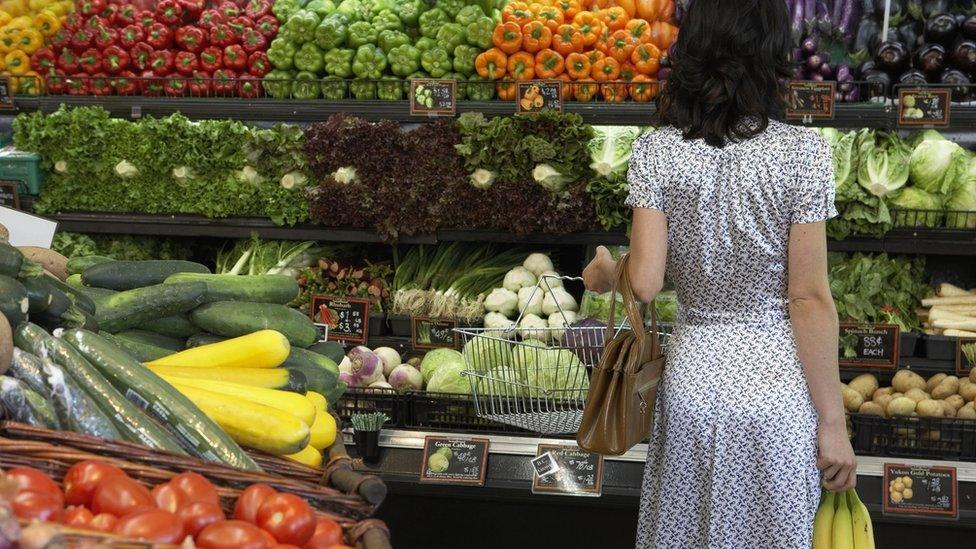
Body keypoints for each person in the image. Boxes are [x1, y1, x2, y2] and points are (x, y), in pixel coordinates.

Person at [581, 0, 856, 547]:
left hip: (692, 382)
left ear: (693, 50)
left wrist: (609, 272)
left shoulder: (657, 151)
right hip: (776, 390)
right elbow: (808, 300)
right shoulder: (804, 153)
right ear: (772, 53)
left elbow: (647, 282)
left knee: (686, 532)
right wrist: (832, 422)